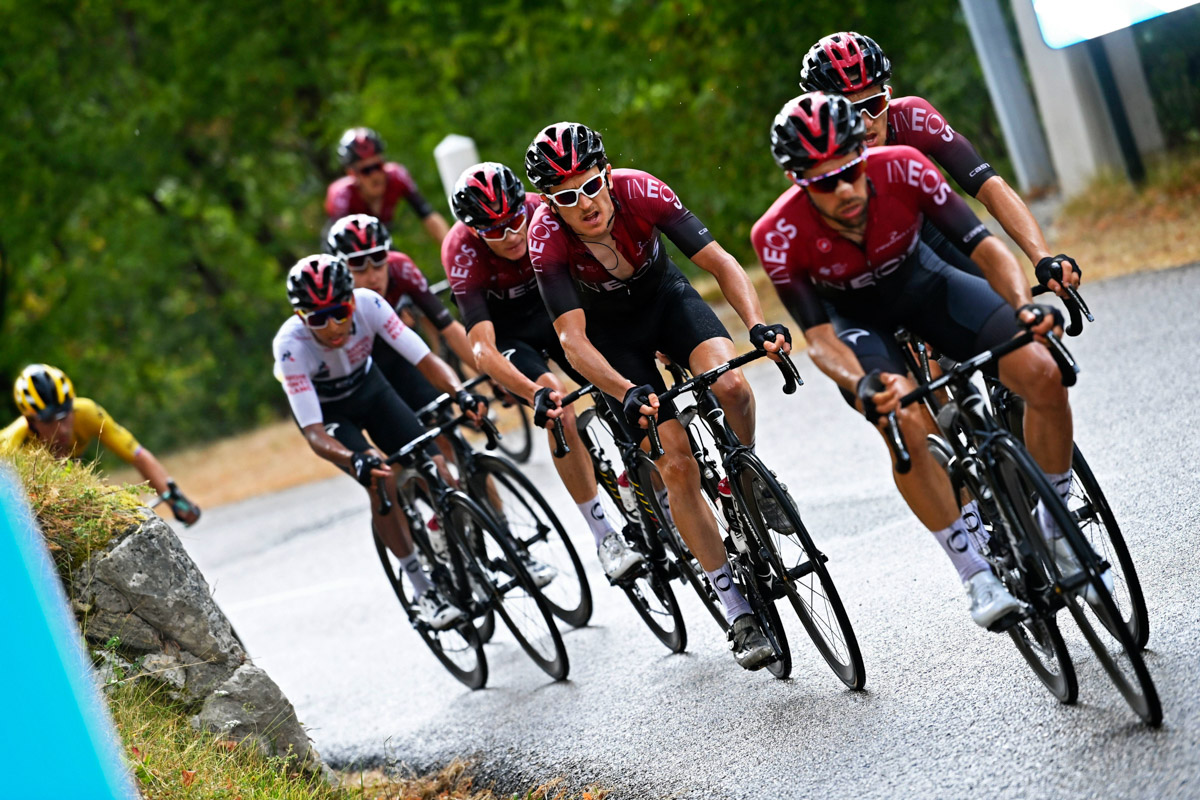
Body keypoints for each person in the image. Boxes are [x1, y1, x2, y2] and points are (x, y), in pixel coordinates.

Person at [751, 92, 1098, 631]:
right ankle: (974, 572)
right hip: (860, 325)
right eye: (823, 182)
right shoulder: (777, 234)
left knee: (1043, 372)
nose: (843, 190)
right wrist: (862, 384)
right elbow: (819, 339)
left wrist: (1023, 305)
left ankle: (1056, 527)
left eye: (849, 170)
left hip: (928, 285)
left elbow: (983, 248)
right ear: (797, 180)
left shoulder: (905, 168)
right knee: (904, 424)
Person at [524, 121, 792, 670]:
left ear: (605, 173)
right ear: (552, 202)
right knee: (675, 461)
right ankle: (735, 606)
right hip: (612, 341)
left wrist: (757, 324)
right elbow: (572, 342)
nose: (586, 203)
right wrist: (624, 390)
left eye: (592, 185)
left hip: (666, 300)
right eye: (568, 197)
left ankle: (746, 474)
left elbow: (719, 262)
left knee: (732, 385)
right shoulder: (545, 236)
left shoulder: (640, 188)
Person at [444, 161, 643, 581]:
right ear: (476, 231)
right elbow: (481, 347)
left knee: (620, 374)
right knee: (559, 407)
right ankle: (603, 534)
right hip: (515, 336)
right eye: (494, 231)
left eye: (515, 220)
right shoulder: (460, 249)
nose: (512, 234)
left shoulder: (545, 209)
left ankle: (634, 471)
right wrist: (529, 392)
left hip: (562, 311)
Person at [272, 254, 485, 629]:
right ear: (301, 317)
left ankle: (467, 556)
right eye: (318, 319)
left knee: (438, 468)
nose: (333, 326)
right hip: (329, 415)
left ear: (352, 300)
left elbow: (424, 359)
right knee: (379, 476)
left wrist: (459, 393)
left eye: (340, 312)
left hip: (372, 389)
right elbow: (314, 433)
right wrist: (354, 459)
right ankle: (422, 590)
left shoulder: (370, 304)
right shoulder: (290, 346)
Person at [799, 31, 1082, 291]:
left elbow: (990, 186)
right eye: (847, 112)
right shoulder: (811, 160)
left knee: (1007, 305)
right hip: (860, 256)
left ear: (888, 96)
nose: (865, 122)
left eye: (872, 105)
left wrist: (1042, 257)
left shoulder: (913, 117)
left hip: (928, 228)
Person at [2, 364, 200, 525]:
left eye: (65, 416)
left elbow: (138, 455)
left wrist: (177, 501)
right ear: (31, 422)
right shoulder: (11, 446)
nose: (61, 429)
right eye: (49, 421)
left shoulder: (86, 413)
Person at [326, 214, 474, 413]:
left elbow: (449, 327)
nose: (372, 277)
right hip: (362, 363)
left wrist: (493, 377)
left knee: (437, 409)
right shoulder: (331, 296)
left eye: (379, 261)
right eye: (359, 267)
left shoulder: (400, 267)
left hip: (400, 349)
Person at [325, 127, 450, 245]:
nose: (375, 175)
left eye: (378, 166)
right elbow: (345, 243)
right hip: (346, 243)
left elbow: (428, 215)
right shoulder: (341, 194)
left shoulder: (397, 176)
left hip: (378, 238)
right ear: (352, 174)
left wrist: (451, 248)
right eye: (366, 170)